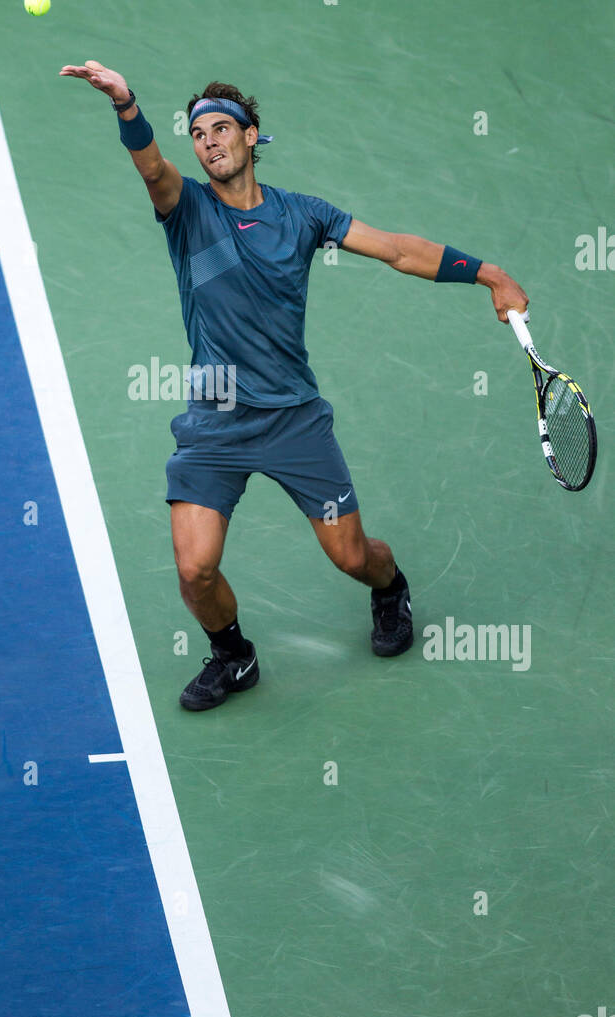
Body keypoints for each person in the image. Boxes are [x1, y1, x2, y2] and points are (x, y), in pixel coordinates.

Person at [59, 60, 529, 712]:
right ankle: (234, 658)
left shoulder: (303, 215)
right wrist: (125, 104)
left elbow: (396, 249)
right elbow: (151, 169)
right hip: (216, 419)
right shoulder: (187, 209)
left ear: (252, 137)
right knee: (195, 569)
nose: (209, 142)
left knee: (352, 555)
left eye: (223, 129)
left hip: (294, 421)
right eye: (199, 135)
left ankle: (390, 588)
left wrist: (490, 273)